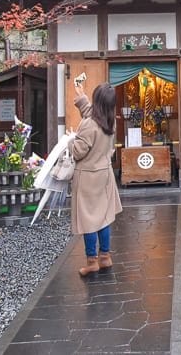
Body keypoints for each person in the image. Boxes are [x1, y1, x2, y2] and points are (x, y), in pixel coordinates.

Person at [70, 82, 123, 276]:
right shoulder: (110, 121)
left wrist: (69, 140)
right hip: (104, 175)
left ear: (97, 101)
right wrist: (81, 96)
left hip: (88, 177)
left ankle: (91, 261)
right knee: (103, 217)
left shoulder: (88, 124)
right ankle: (105, 257)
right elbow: (91, 116)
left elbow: (78, 152)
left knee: (89, 220)